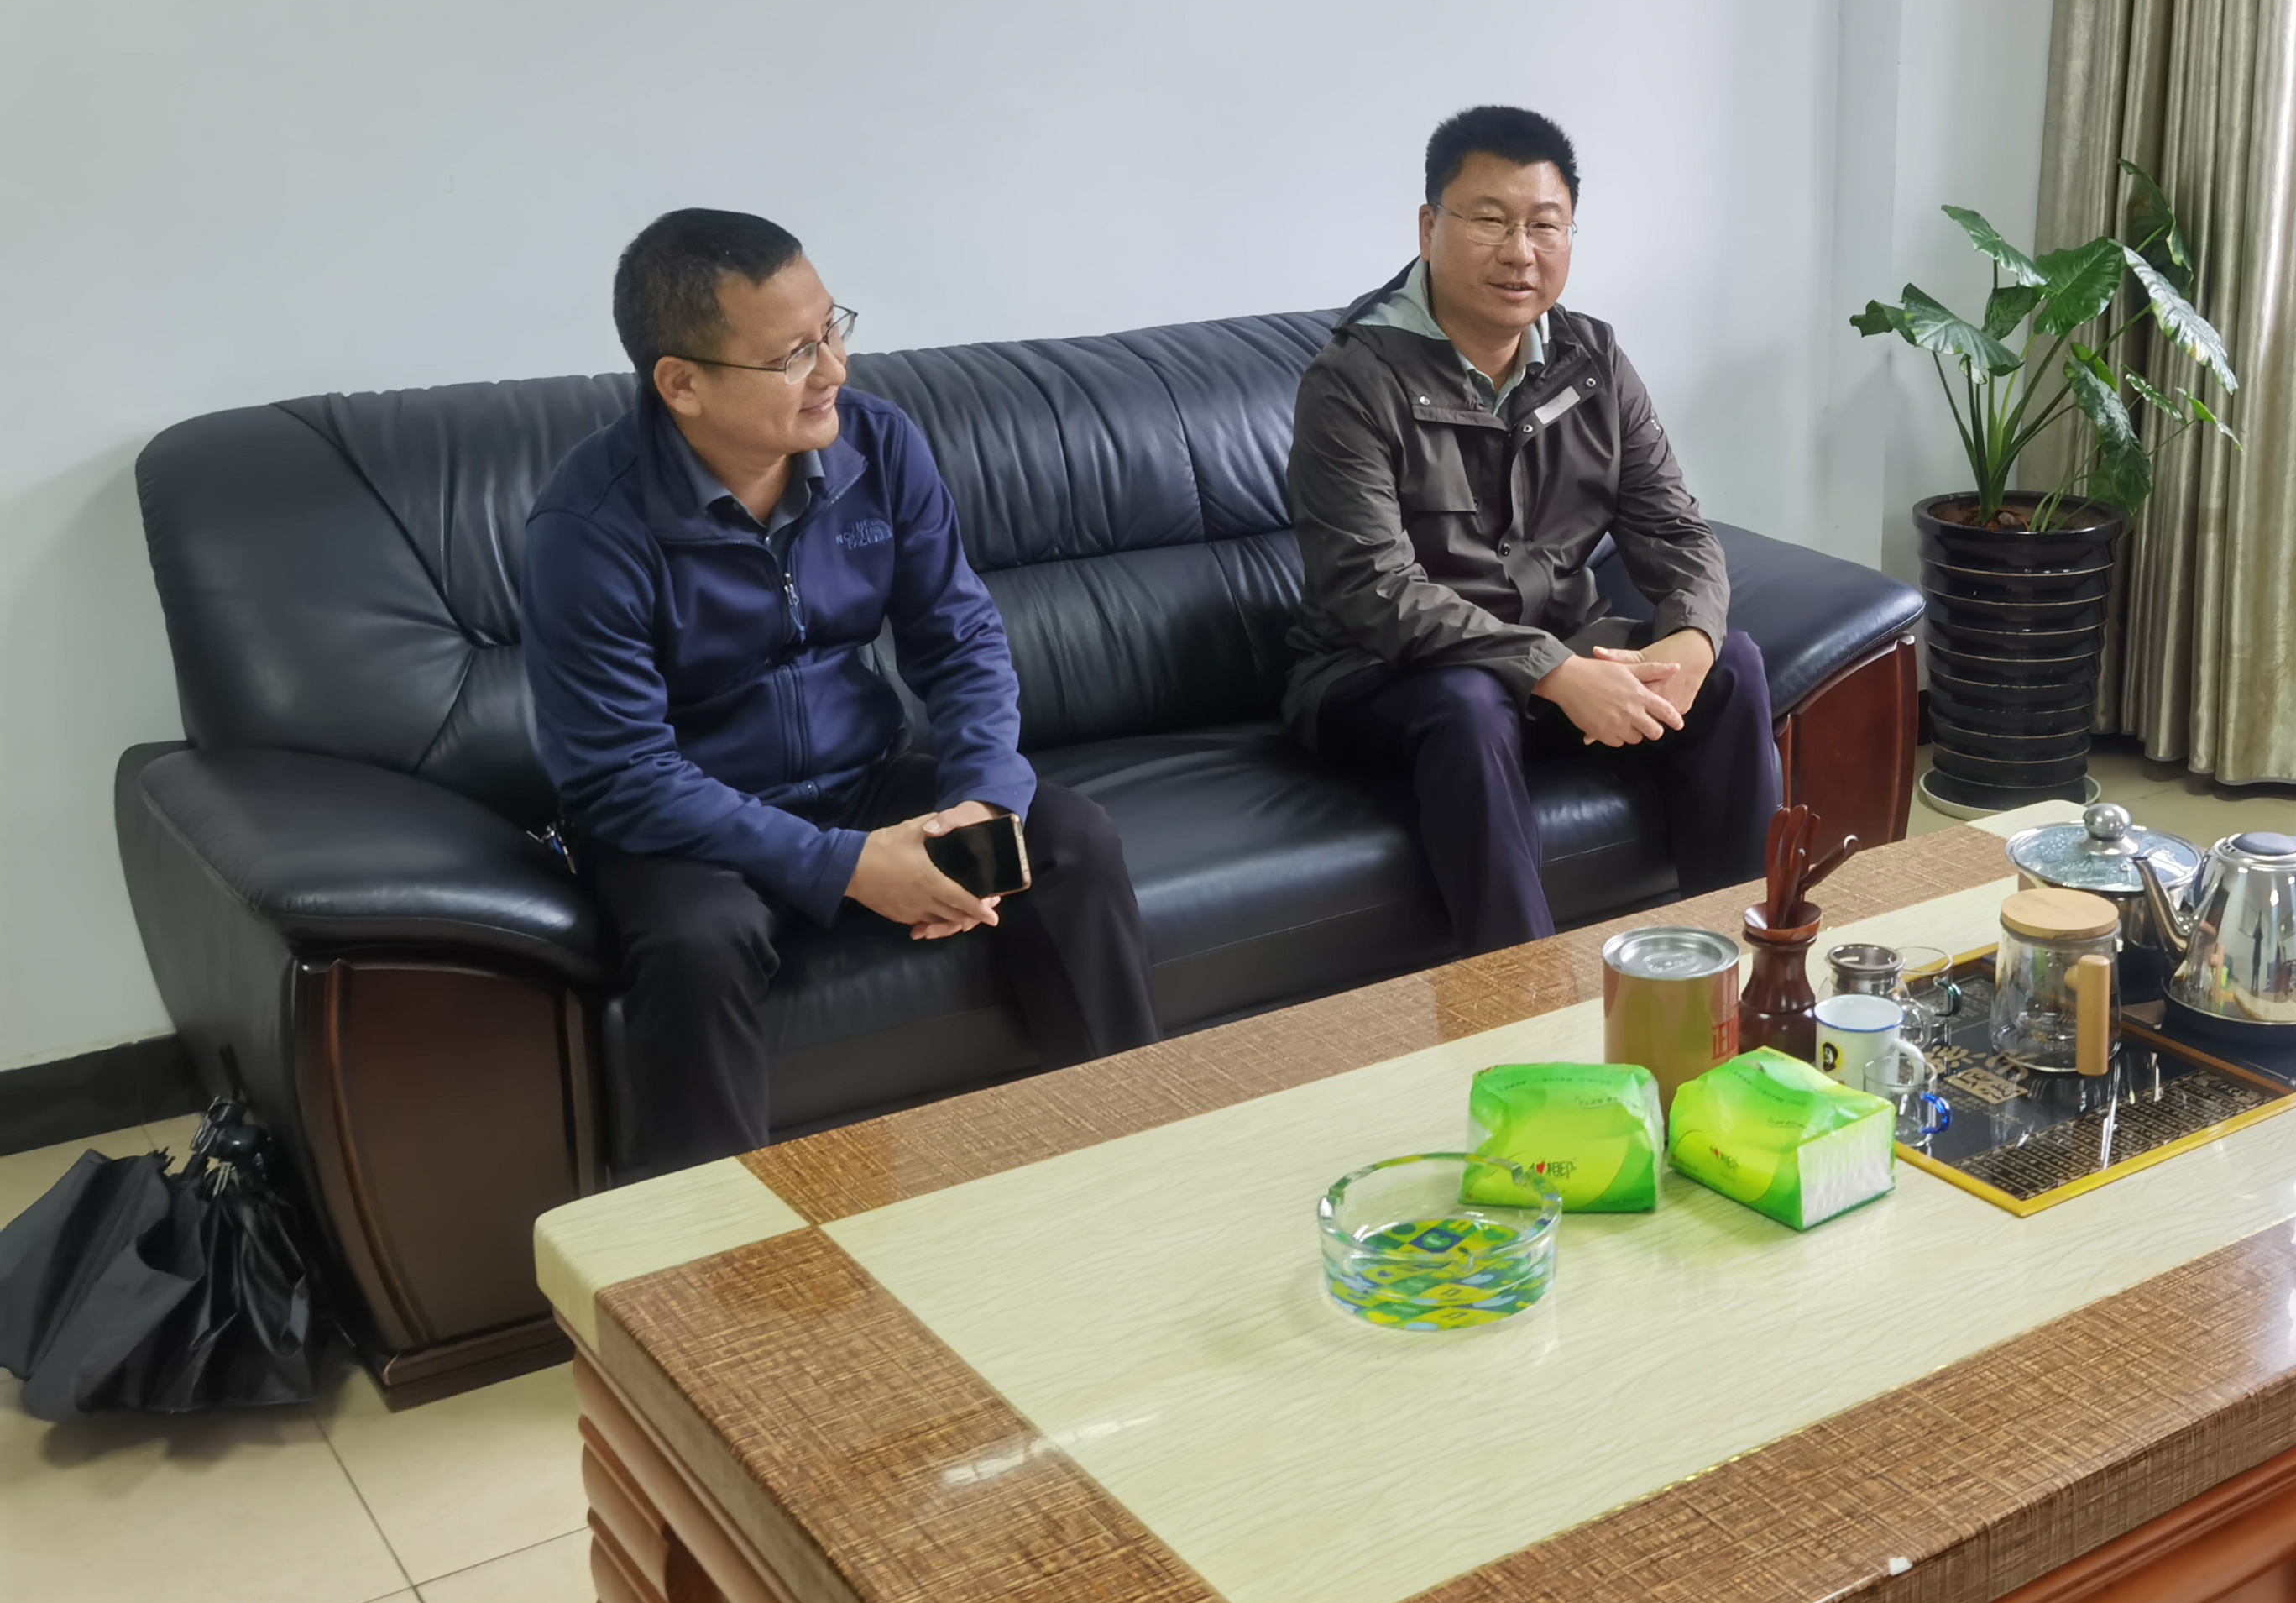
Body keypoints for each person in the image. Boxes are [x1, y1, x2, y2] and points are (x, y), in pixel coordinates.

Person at [523, 211, 1160, 1178]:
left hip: (863, 778)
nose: (834, 370)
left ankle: (1132, 1154)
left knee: (1067, 840)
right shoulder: (589, 525)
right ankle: (708, 1247)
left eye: (832, 329)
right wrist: (848, 868)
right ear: (681, 383)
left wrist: (985, 799)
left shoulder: (878, 445)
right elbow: (621, 775)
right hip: (693, 826)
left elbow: (960, 636)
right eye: (792, 355)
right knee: (700, 944)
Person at [1284, 106, 1780, 952]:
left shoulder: (1593, 360)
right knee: (1470, 703)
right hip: (1376, 674)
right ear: (1429, 228)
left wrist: (1690, 639)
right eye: (1490, 221)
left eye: (1545, 226)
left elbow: (1676, 530)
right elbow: (1373, 587)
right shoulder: (1352, 381)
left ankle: (1740, 965)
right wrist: (1552, 670)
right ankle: (1526, 1001)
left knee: (1730, 664)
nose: (1520, 252)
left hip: (1552, 662)